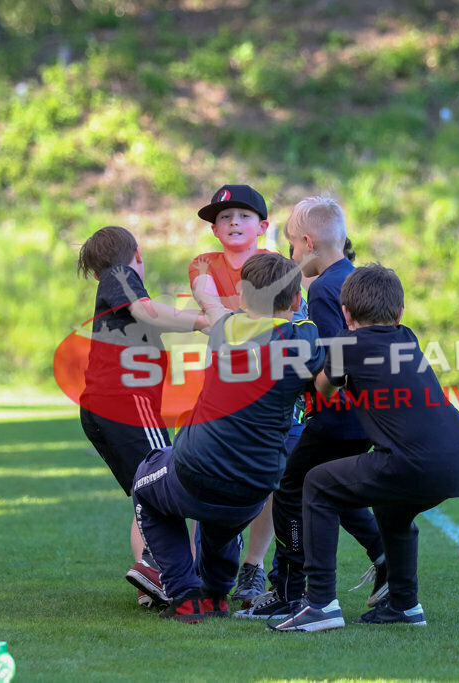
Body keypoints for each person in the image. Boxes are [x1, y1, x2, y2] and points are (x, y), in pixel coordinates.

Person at [270, 264, 459, 631]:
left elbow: (324, 388)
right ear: (400, 313)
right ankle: (404, 605)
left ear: (346, 313)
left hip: (414, 462)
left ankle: (320, 604)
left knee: (316, 483)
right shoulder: (407, 337)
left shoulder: (345, 345)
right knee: (392, 510)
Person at [132, 252, 325, 623]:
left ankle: (185, 594)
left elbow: (210, 301)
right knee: (220, 524)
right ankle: (216, 596)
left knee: (145, 484)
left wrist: (202, 274)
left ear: (243, 297)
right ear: (295, 302)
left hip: (197, 470)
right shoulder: (303, 336)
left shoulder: (225, 327)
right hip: (257, 483)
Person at [247, 197, 387, 619]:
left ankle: (289, 590)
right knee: (332, 489)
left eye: (292, 245)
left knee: (291, 490)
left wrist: (301, 380)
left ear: (308, 243)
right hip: (362, 414)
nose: (291, 255)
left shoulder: (324, 287)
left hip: (338, 414)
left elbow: (331, 354)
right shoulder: (354, 277)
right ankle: (387, 558)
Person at [75, 225, 207, 609]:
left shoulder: (110, 285)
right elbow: (146, 309)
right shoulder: (121, 276)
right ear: (137, 256)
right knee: (171, 479)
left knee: (146, 492)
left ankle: (152, 584)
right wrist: (202, 321)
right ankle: (157, 566)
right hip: (126, 402)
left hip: (100, 408)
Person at [188, 184, 279, 602]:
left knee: (269, 477)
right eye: (224, 217)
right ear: (214, 229)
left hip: (266, 385)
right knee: (203, 469)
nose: (233, 222)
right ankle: (197, 567)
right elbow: (212, 308)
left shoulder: (278, 265)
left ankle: (253, 566)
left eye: (243, 216)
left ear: (262, 226)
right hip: (221, 386)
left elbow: (286, 319)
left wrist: (233, 325)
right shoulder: (203, 263)